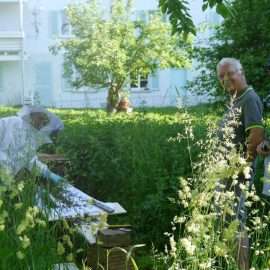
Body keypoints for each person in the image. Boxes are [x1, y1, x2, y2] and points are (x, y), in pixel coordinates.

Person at [217, 58, 264, 270]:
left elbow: (255, 137)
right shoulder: (236, 100)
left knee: (236, 225)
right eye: (221, 76)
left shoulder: (249, 99)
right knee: (227, 223)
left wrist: (241, 170)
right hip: (226, 174)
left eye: (229, 73)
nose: (226, 79)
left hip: (237, 175)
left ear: (241, 72)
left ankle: (243, 267)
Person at [0, 105, 64, 184]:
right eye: (40, 118)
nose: (41, 123)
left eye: (45, 122)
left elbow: (30, 161)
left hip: (8, 180)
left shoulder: (33, 136)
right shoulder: (11, 122)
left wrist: (48, 173)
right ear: (31, 115)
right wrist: (5, 169)